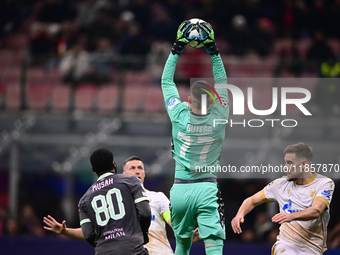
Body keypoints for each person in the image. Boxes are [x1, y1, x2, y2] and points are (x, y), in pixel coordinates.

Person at [161, 20, 229, 255]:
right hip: (206, 188)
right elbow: (221, 82)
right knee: (214, 243)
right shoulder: (220, 116)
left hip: (179, 189)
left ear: (189, 100)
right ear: (213, 101)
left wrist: (176, 49)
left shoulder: (178, 113)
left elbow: (166, 82)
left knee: (182, 243)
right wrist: (214, 52)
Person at [44, 155, 200, 254]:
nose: (137, 171)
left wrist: (183, 233)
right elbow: (92, 231)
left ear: (144, 174)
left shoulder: (158, 197)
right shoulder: (115, 202)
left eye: (140, 168)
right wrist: (66, 232)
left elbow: (171, 220)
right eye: (132, 168)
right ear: (123, 175)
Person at [231, 142, 335, 255]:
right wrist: (239, 215)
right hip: (286, 244)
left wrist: (291, 216)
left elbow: (316, 211)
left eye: (290, 163)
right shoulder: (280, 184)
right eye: (285, 162)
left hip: (313, 248)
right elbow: (251, 200)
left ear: (304, 164)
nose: (285, 167)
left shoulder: (324, 183)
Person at [46, 147, 151, 255]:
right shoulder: (131, 181)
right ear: (114, 164)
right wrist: (141, 236)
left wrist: (105, 245)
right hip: (132, 249)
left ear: (93, 169)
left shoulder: (84, 200)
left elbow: (88, 234)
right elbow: (145, 213)